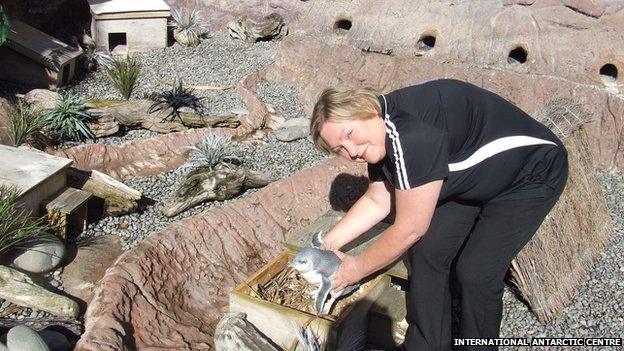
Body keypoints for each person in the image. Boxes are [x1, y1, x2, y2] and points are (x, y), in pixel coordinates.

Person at [309, 79, 569, 351]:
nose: (350, 152)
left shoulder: (410, 136)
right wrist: (326, 244)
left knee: (476, 273)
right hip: (472, 175)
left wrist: (355, 268)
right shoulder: (382, 135)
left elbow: (410, 228)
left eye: (349, 134)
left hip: (530, 174)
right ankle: (426, 345)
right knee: (426, 250)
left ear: (365, 108)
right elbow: (377, 199)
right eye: (339, 149)